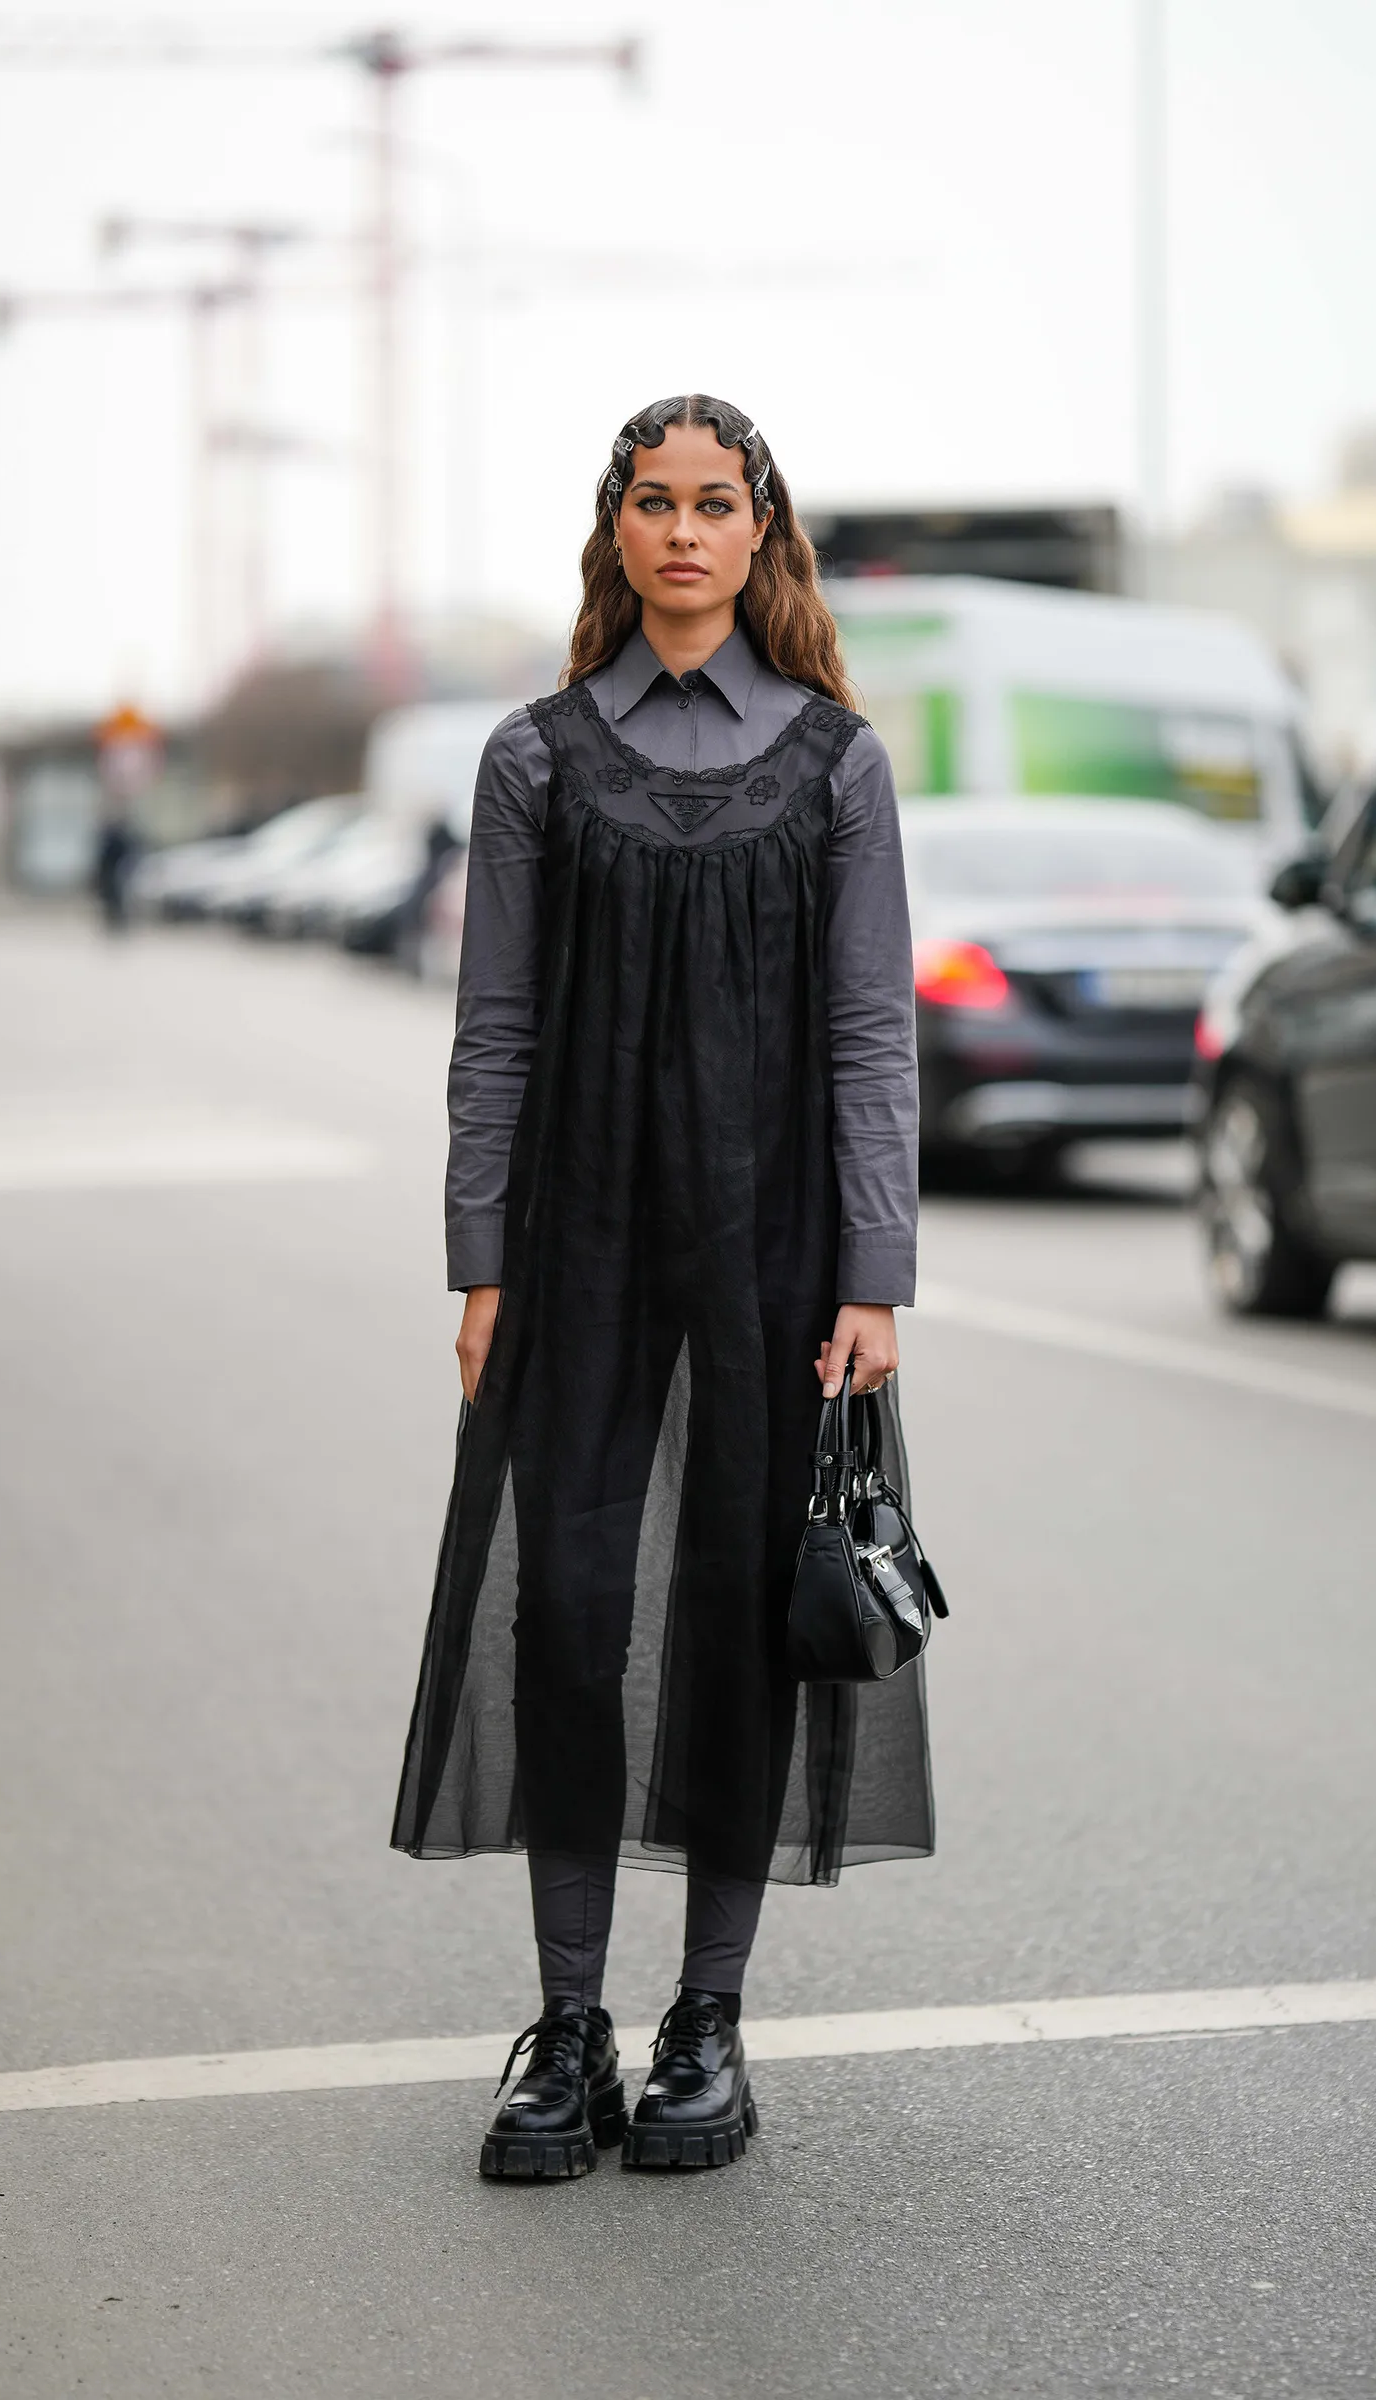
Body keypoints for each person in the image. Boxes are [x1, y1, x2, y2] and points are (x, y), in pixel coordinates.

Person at [392, 394, 931, 2181]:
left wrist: (875, 1268)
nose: (686, 532)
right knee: (567, 1606)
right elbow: (498, 1033)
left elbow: (870, 1035)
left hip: (779, 1250)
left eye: (719, 503)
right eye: (655, 502)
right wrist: (483, 1259)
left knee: (732, 1610)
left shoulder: (838, 762)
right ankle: (569, 2027)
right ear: (615, 530)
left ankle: (710, 2020)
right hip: (580, 1239)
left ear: (763, 532)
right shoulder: (536, 758)